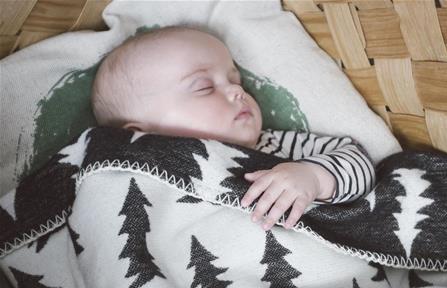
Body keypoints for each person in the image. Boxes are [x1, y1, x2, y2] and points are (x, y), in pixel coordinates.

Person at [91, 26, 376, 231]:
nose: (237, 91)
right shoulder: (134, 175)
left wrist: (311, 176)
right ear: (140, 135)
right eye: (204, 87)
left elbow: (359, 163)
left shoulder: (275, 146)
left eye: (236, 81)